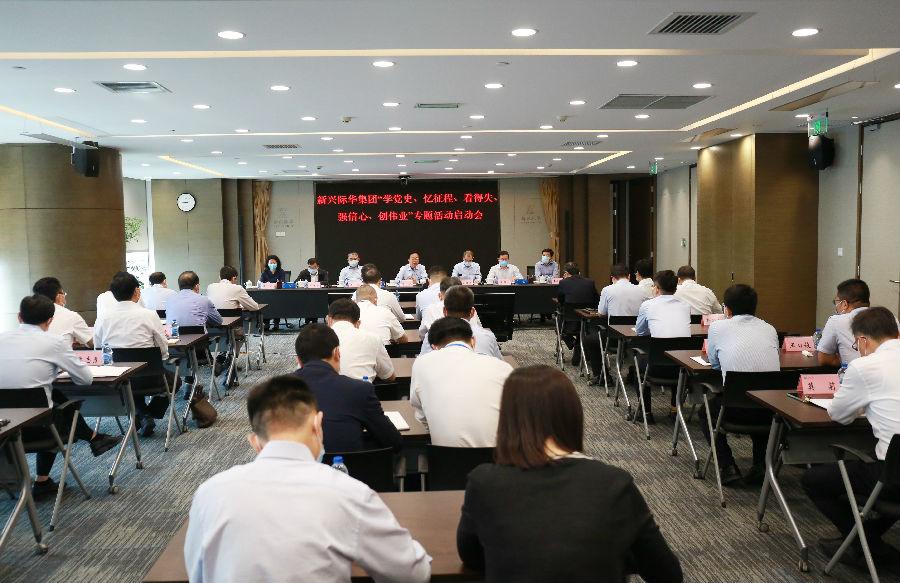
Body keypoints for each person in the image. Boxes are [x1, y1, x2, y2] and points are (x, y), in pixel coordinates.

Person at [184, 375, 431, 583]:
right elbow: (413, 573)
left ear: (254, 443)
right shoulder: (349, 492)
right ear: (318, 425)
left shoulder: (209, 493)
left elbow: (197, 574)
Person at [456, 365, 683, 583]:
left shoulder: (484, 483)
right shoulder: (614, 484)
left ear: (508, 419)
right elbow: (667, 574)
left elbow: (472, 557)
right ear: (573, 415)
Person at [802, 307, 900, 567]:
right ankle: (867, 539)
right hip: (893, 464)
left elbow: (839, 415)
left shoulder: (865, 366)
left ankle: (866, 543)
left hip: (893, 478)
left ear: (862, 341)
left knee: (813, 480)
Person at [0, 295, 121, 498]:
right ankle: (45, 478)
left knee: (52, 395)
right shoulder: (54, 342)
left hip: (5, 427)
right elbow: (85, 379)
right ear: (50, 321)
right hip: (41, 430)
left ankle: (91, 441)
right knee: (56, 406)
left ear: (19, 317)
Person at [702, 284, 780, 485]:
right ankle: (761, 464)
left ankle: (727, 466)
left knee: (706, 411)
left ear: (727, 309)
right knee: (759, 397)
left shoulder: (717, 328)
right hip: (772, 409)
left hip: (734, 409)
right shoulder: (770, 329)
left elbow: (715, 363)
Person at [291, 324, 402, 453]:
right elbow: (394, 442)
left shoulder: (277, 391)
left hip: (297, 465)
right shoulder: (359, 390)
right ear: (337, 353)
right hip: (348, 466)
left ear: (299, 361)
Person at [93, 271, 177, 437]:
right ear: (137, 291)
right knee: (175, 380)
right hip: (151, 376)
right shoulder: (149, 315)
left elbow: (98, 349)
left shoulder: (102, 318)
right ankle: (148, 414)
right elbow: (163, 350)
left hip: (117, 379)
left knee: (130, 381)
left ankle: (142, 414)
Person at [410, 317, 513, 446]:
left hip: (444, 455)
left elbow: (421, 414)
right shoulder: (502, 367)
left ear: (434, 347)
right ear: (473, 341)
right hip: (499, 454)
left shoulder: (422, 363)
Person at [634, 270, 691, 424]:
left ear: (657, 289)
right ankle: (674, 410)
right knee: (675, 355)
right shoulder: (685, 306)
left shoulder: (648, 305)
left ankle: (646, 413)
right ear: (676, 289)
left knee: (638, 364)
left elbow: (640, 332)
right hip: (683, 367)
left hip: (655, 367)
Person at [581, 264, 645, 382]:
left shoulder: (607, 290)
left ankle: (603, 376)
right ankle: (634, 372)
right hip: (637, 338)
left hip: (614, 338)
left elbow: (601, 313)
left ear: (612, 278)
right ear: (629, 276)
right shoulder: (641, 290)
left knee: (589, 340)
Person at [420, 285, 501, 360]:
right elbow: (500, 364)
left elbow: (421, 364)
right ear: (472, 312)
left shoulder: (432, 335)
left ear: (444, 311)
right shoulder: (488, 336)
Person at [327, 299, 395, 382]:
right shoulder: (373, 338)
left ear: (328, 319)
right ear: (358, 323)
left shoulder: (316, 339)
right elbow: (389, 376)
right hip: (362, 389)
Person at [818, 278, 870, 367]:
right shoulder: (890, 318)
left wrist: (846, 360)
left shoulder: (836, 321)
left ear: (845, 304)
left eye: (836, 302)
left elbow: (825, 359)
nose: (836, 306)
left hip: (854, 372)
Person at [556, 262, 600, 365]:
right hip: (588, 322)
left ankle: (575, 343)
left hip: (569, 324)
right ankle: (579, 344)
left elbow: (560, 300)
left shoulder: (563, 283)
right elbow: (597, 300)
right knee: (581, 329)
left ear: (566, 273)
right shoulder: (590, 282)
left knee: (558, 324)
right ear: (579, 273)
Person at [32, 276, 92, 347]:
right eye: (64, 294)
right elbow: (93, 343)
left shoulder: (29, 315)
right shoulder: (71, 316)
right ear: (59, 296)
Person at [260, 255, 287, 330]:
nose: (272, 264)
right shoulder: (265, 272)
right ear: (268, 264)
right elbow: (261, 283)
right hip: (266, 294)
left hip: (278, 294)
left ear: (277, 263)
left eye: (274, 263)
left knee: (277, 304)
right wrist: (271, 284)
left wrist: (272, 284)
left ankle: (276, 323)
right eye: (271, 263)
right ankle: (266, 323)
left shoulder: (281, 271)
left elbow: (282, 282)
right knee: (265, 304)